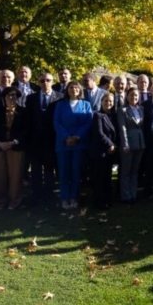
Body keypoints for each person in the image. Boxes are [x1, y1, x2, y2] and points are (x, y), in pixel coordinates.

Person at [0, 87, 29, 210]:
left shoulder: (23, 112)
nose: (12, 98)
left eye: (15, 95)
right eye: (9, 95)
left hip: (16, 147)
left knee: (15, 175)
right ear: (4, 97)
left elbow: (26, 129)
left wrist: (15, 141)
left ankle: (14, 201)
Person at [53, 81, 92, 209]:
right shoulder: (60, 105)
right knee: (64, 172)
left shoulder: (86, 104)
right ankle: (64, 198)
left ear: (80, 90)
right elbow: (57, 122)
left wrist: (77, 136)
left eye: (76, 87)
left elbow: (88, 122)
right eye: (71, 87)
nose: (74, 89)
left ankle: (74, 197)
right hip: (63, 143)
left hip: (79, 143)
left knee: (76, 172)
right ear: (67, 90)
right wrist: (66, 137)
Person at [25, 72, 61, 207]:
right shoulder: (31, 98)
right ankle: (36, 195)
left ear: (52, 81)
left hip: (52, 139)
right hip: (35, 140)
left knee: (49, 169)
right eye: (42, 81)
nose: (45, 83)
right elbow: (28, 120)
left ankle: (49, 195)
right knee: (35, 169)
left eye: (48, 80)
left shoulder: (60, 97)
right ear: (38, 82)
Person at [116, 88, 145, 205]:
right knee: (126, 171)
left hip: (140, 143)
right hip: (128, 144)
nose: (134, 98)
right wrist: (125, 144)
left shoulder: (141, 109)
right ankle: (126, 196)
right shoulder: (122, 110)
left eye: (136, 96)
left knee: (135, 171)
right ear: (127, 97)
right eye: (132, 95)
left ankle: (134, 194)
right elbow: (122, 128)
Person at [90, 93, 118, 210]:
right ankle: (99, 202)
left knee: (107, 177)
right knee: (99, 178)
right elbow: (99, 133)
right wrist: (110, 145)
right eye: (106, 101)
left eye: (110, 101)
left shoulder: (114, 115)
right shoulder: (98, 115)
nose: (108, 103)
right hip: (100, 151)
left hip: (110, 152)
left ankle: (107, 199)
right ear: (101, 102)